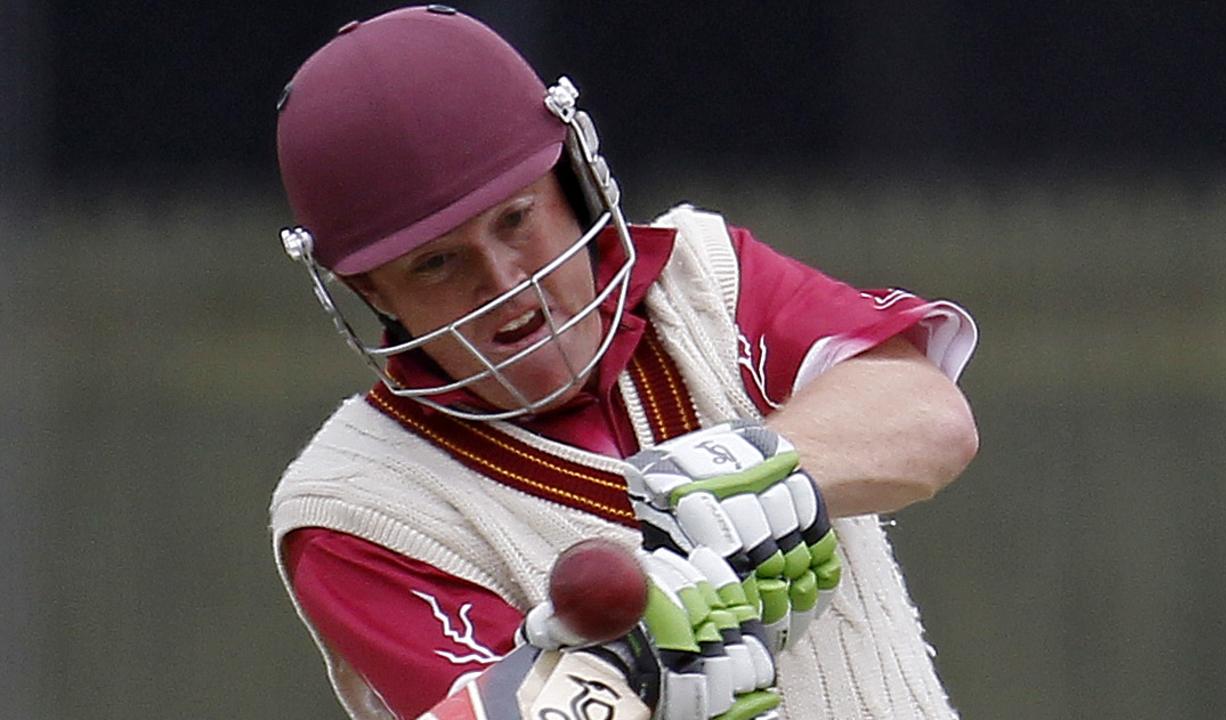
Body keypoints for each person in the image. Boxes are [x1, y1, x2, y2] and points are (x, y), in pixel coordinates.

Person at [270, 6, 979, 720]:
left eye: (516, 219)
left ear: (571, 181)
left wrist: (737, 494)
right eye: (437, 264)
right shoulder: (353, 508)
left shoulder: (704, 279)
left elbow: (929, 420)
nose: (504, 280)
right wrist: (617, 665)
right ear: (368, 290)